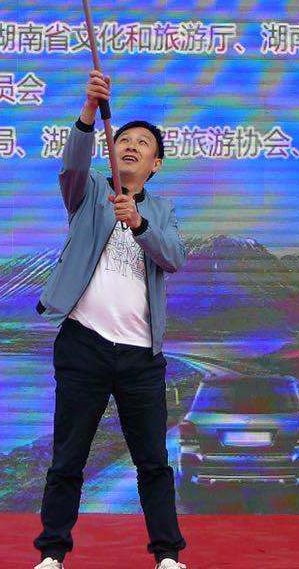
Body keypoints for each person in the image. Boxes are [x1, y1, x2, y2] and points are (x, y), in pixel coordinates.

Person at [32, 71, 188, 569]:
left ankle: (167, 555)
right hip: (84, 344)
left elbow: (173, 257)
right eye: (124, 140)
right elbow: (71, 165)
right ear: (110, 148)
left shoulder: (162, 211)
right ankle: (53, 553)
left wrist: (138, 222)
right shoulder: (88, 193)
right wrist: (88, 109)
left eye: (143, 144)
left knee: (153, 462)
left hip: (141, 356)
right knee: (68, 457)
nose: (131, 146)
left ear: (156, 164)